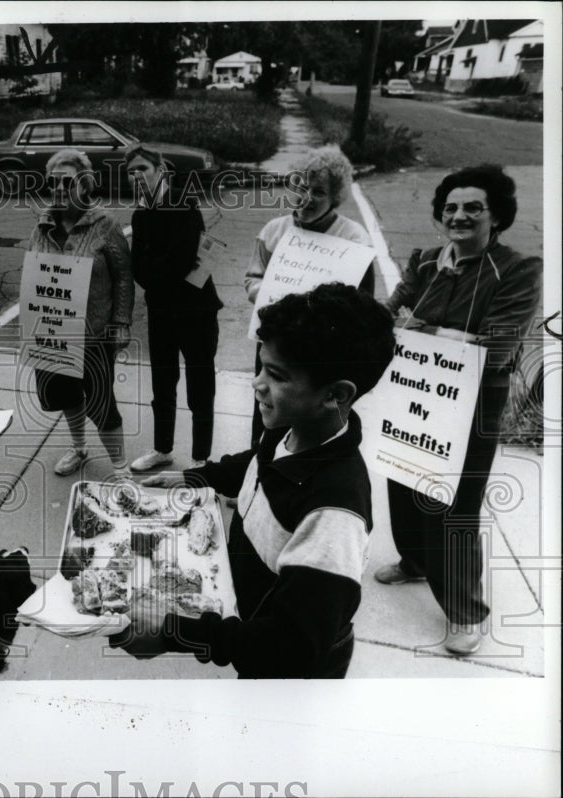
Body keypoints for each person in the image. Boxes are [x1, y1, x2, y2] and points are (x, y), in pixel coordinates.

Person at [116, 283, 396, 678]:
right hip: (251, 616)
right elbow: (259, 463)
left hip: (285, 675)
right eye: (259, 366)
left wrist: (171, 634)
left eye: (277, 375)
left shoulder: (333, 515)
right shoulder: (291, 429)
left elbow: (292, 645)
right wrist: (194, 478)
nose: (257, 383)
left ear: (335, 394)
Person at [375, 164, 542, 657]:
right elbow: (388, 315)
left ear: (497, 217)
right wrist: (420, 327)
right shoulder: (425, 261)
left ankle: (466, 612)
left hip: (474, 405)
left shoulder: (516, 270)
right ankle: (414, 563)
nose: (459, 215)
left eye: (473, 207)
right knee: (403, 481)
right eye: (450, 207)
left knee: (455, 506)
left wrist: (417, 327)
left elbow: (497, 345)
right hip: (414, 394)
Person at [244, 145, 376, 447]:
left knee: (311, 420)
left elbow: (363, 301)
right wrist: (271, 296)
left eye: (318, 192)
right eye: (301, 187)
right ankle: (258, 474)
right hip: (275, 342)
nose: (307, 198)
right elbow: (252, 278)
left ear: (335, 198)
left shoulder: (354, 238)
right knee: (267, 412)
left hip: (321, 350)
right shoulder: (273, 230)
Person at [27, 148, 134, 476]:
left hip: (95, 333)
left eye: (67, 182)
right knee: (66, 394)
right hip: (54, 332)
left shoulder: (105, 225)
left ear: (85, 185)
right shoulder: (43, 224)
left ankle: (120, 467)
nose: (58, 189)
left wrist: (121, 322)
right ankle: (79, 449)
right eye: (53, 182)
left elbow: (124, 277)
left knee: (102, 403)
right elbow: (35, 274)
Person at [124, 145, 223, 473]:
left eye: (142, 169)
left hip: (197, 310)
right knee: (162, 383)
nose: (136, 176)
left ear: (160, 171)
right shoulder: (140, 214)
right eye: (131, 172)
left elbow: (182, 260)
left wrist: (155, 272)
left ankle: (200, 457)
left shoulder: (183, 201)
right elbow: (136, 266)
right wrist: (156, 272)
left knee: (200, 384)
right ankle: (162, 448)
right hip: (161, 310)